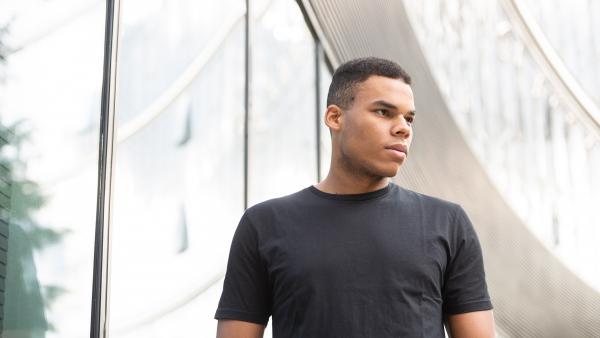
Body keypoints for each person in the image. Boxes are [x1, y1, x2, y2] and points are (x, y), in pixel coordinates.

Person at [214, 57, 495, 338]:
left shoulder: (447, 223)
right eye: (384, 112)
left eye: (408, 118)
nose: (403, 128)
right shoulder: (263, 225)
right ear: (335, 117)